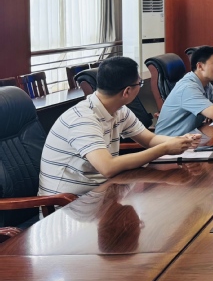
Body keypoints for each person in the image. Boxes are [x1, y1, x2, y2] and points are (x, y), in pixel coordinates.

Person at [38, 56, 199, 197]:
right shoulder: (82, 119)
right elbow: (107, 167)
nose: (140, 86)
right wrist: (164, 149)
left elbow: (150, 139)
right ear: (127, 91)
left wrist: (180, 141)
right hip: (67, 205)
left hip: (101, 191)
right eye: (140, 83)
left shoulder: (119, 110)